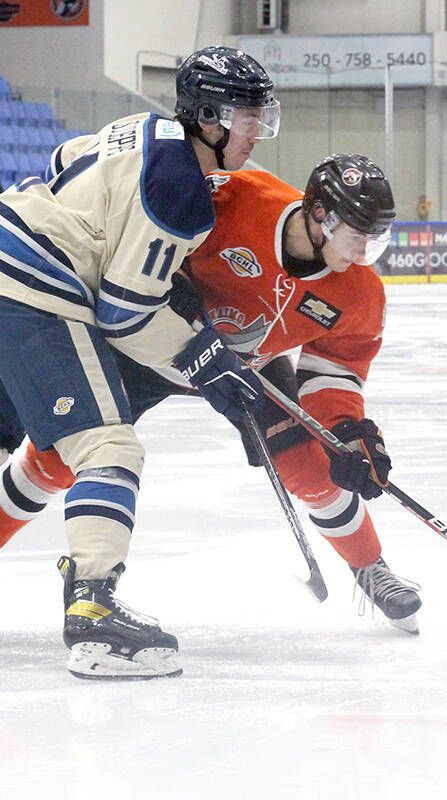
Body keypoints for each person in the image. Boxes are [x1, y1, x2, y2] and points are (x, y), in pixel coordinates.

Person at [0, 153, 422, 632]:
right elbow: (145, 224)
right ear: (321, 217)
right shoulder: (234, 195)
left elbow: (337, 370)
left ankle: (370, 566)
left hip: (245, 366)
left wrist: (345, 430)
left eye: (375, 241)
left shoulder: (360, 293)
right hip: (155, 343)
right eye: (356, 238)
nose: (362, 253)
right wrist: (164, 282)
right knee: (57, 455)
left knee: (310, 465)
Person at [0, 46, 277, 679]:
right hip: (30, 288)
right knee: (107, 446)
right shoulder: (183, 190)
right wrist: (202, 358)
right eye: (246, 115)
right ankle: (93, 611)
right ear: (208, 115)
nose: (256, 130)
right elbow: (125, 316)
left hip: (5, 250)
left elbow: (62, 163)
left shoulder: (139, 128)